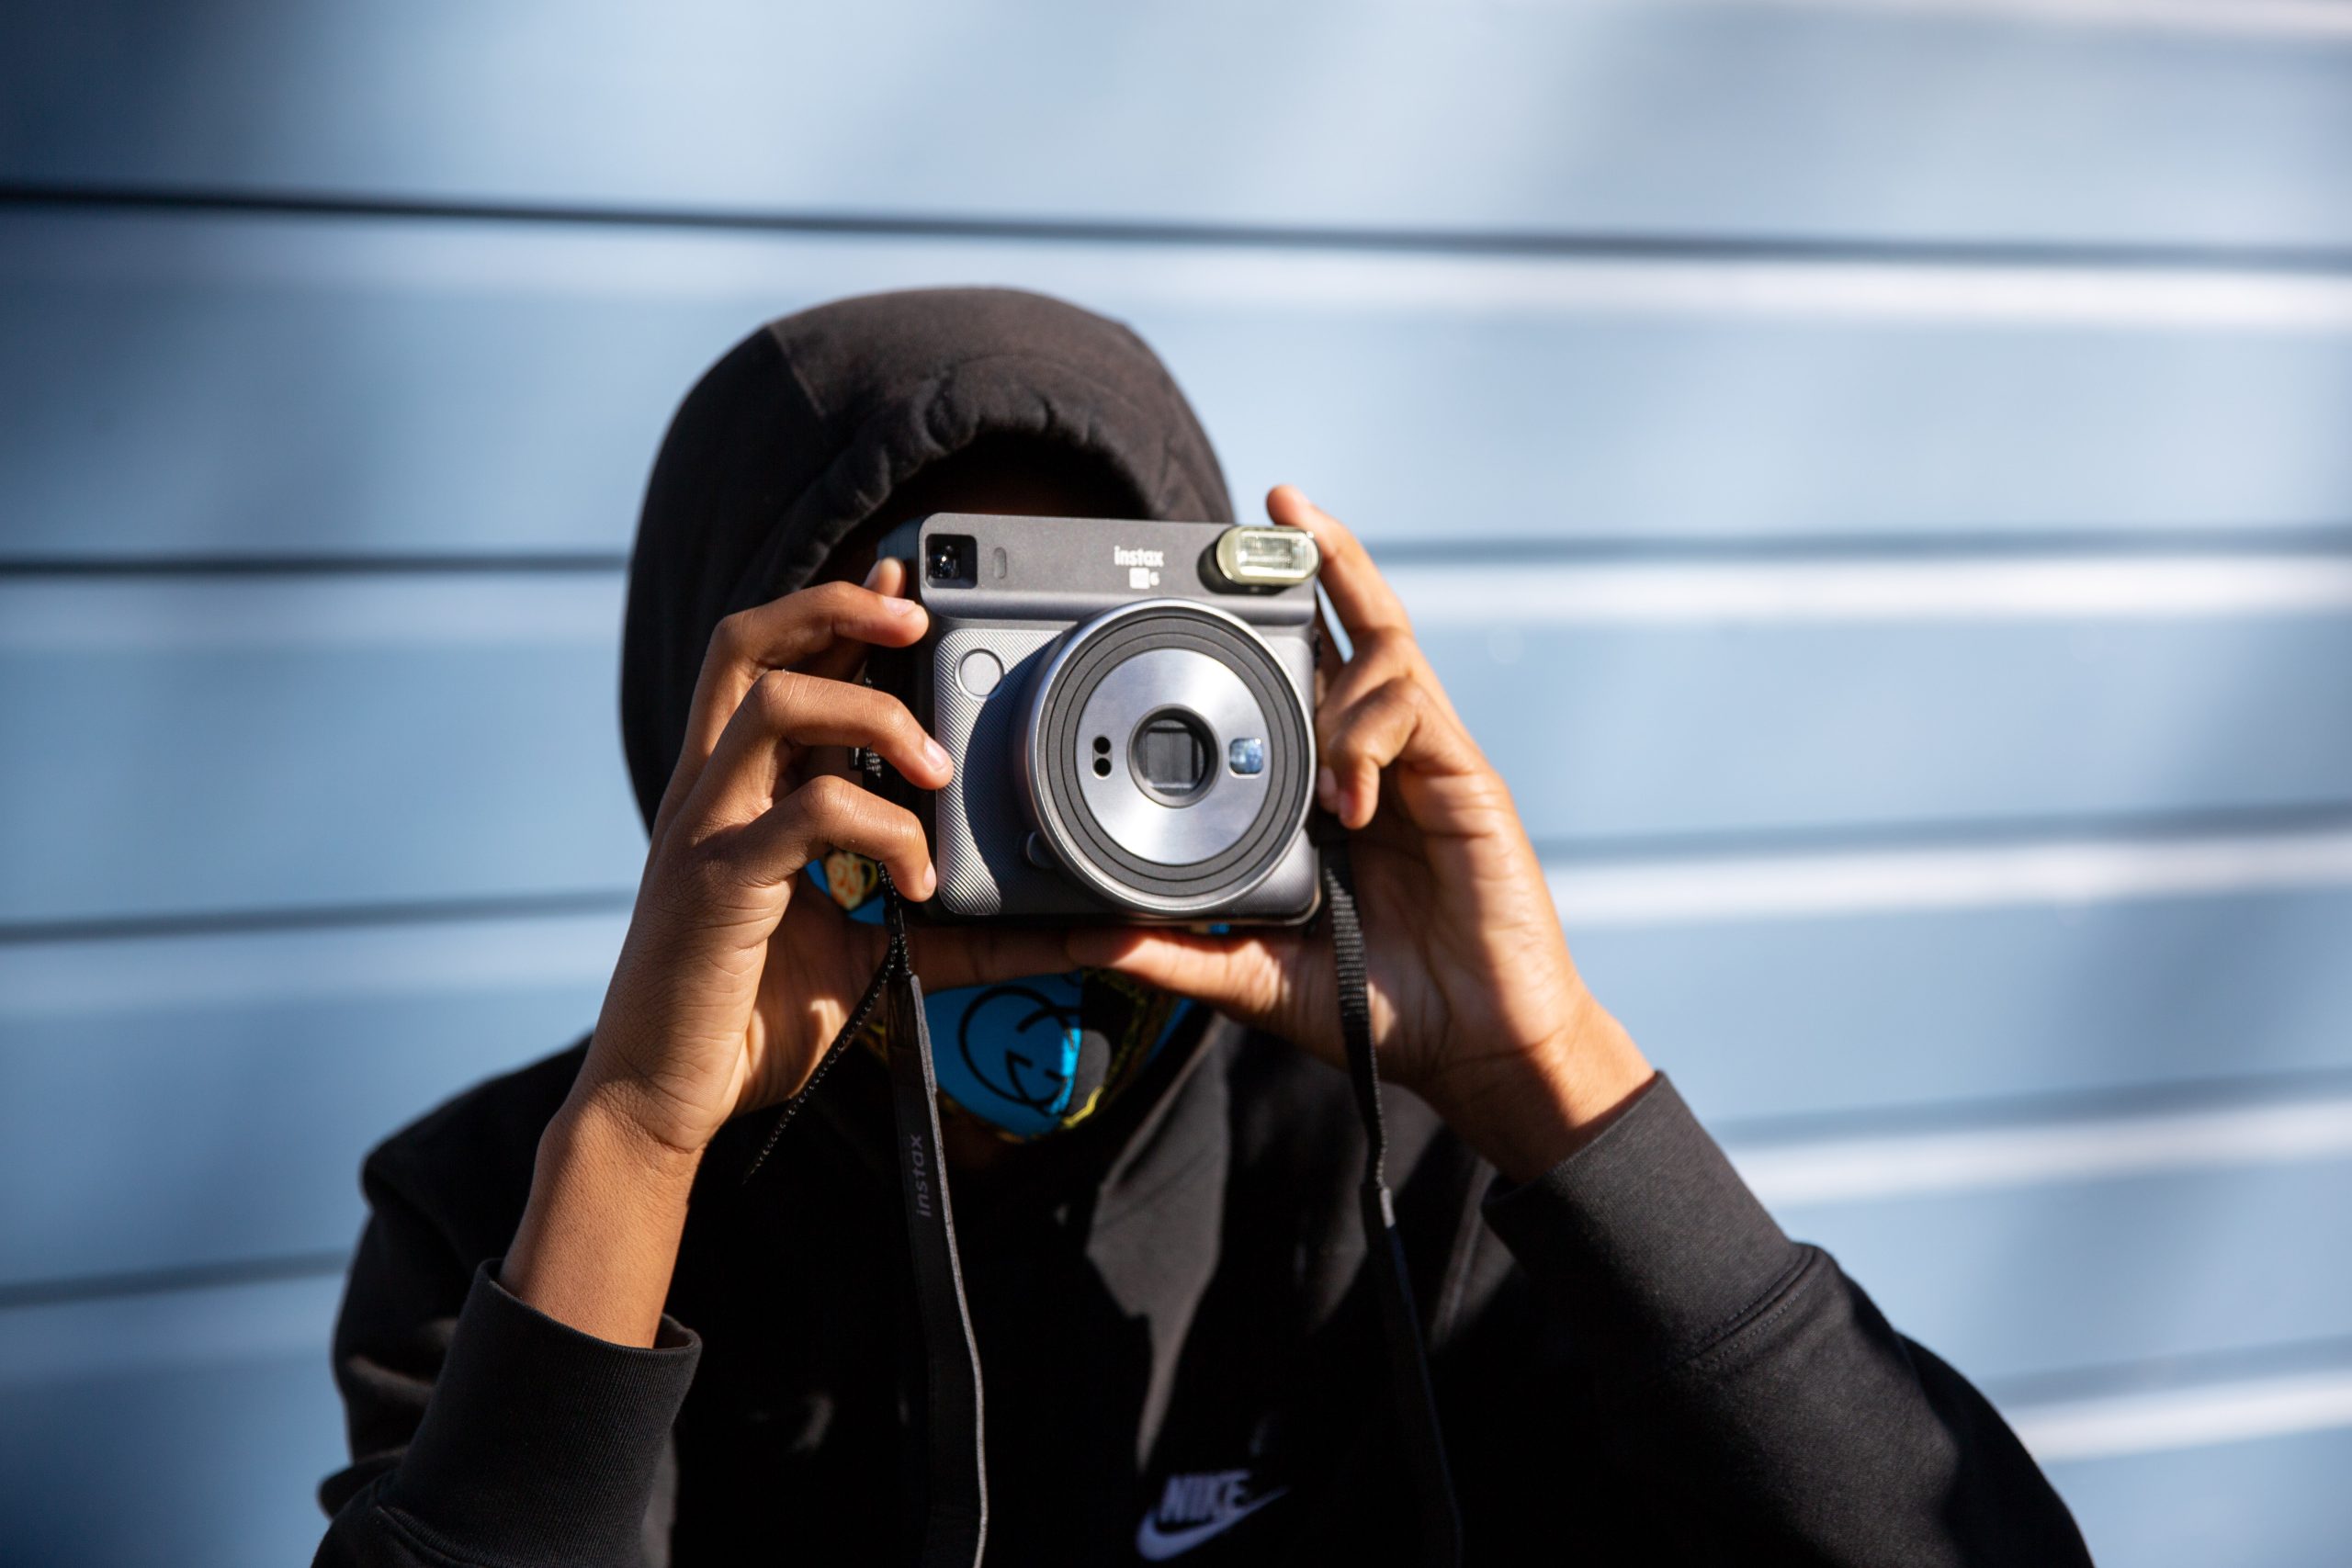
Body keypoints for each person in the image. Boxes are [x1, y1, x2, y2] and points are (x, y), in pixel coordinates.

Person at [314, 288, 2090, 1565]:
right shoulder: (513, 1214)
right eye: (950, 667)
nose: (1062, 767)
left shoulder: (1400, 1174)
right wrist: (635, 1145)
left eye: (1118, 665)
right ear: (721, 724)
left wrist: (1547, 1068)